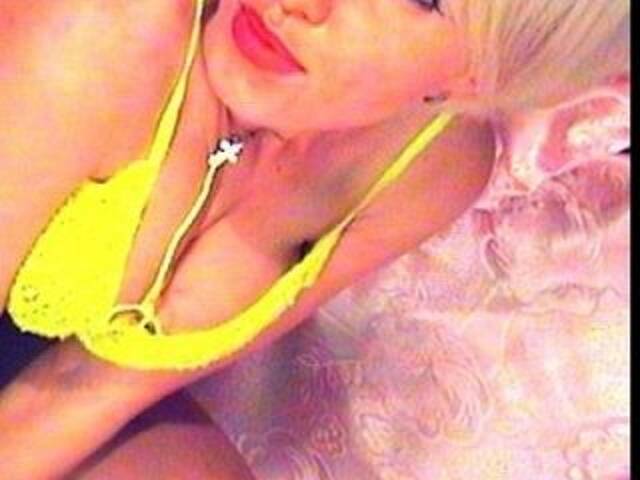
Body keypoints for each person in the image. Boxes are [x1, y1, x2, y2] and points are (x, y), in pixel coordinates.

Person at [0, 0, 629, 477]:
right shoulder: (102, 27)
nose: (302, 4)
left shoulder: (430, 169)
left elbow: (93, 390)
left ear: (478, 75)